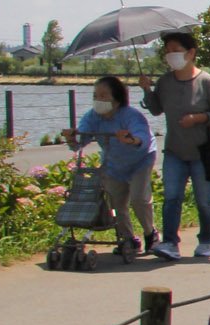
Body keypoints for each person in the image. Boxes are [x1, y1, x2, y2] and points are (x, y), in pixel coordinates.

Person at [139, 32, 210, 261]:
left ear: (190, 53)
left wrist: (199, 118)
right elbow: (157, 109)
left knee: (204, 199)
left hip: (203, 151)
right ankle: (170, 242)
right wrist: (147, 90)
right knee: (172, 197)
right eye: (167, 51)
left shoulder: (207, 82)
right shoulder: (166, 82)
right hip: (174, 151)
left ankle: (208, 241)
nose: (170, 55)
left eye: (175, 50)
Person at [63, 75, 157, 255]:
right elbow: (81, 138)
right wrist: (72, 137)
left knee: (139, 198)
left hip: (140, 159)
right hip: (114, 163)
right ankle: (128, 239)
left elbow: (141, 137)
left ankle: (150, 234)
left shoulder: (131, 115)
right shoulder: (92, 116)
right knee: (116, 204)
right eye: (95, 95)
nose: (99, 100)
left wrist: (131, 139)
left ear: (117, 98)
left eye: (104, 95)